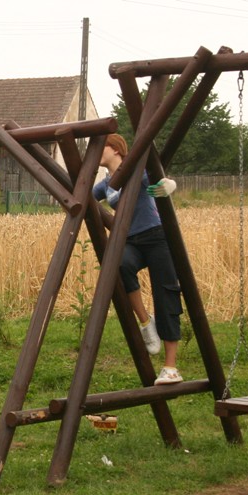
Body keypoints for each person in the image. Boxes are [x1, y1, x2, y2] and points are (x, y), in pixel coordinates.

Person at [93, 133, 183, 385]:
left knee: (165, 293)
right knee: (118, 266)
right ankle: (145, 322)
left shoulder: (136, 172)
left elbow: (160, 179)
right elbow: (86, 198)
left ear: (115, 149)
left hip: (156, 236)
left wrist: (169, 185)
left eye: (102, 147)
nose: (97, 152)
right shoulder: (106, 184)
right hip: (130, 240)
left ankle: (170, 367)